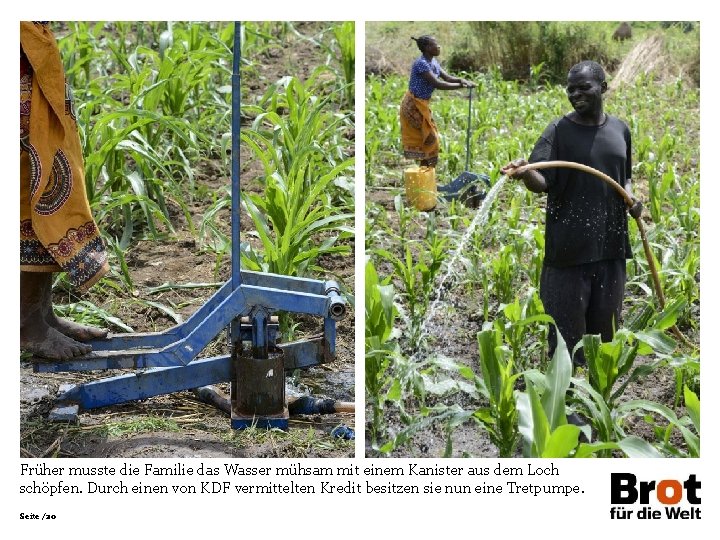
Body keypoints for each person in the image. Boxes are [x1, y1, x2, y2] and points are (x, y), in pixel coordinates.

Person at [502, 60, 642, 367]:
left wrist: (631, 198)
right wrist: (525, 173)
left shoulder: (620, 129)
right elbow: (542, 182)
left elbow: (625, 175)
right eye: (571, 89)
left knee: (606, 338)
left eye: (584, 87)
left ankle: (598, 404)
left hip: (611, 250)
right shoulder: (558, 131)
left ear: (603, 88)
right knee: (566, 343)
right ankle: (564, 404)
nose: (575, 94)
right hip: (568, 255)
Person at [20, 22, 110, 360]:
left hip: (29, 56)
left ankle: (42, 313)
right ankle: (27, 324)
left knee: (44, 190)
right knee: (29, 194)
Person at [400, 35, 475, 168]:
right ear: (428, 48)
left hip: (422, 104)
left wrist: (461, 80)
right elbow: (437, 84)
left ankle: (425, 172)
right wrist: (461, 86)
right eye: (435, 44)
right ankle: (426, 171)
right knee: (430, 138)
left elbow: (447, 77)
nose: (438, 46)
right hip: (413, 105)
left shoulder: (433, 62)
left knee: (427, 138)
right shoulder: (421, 63)